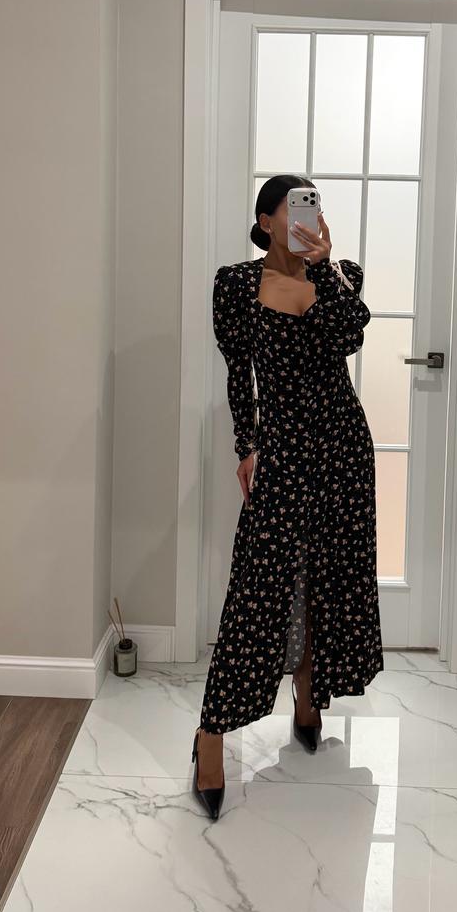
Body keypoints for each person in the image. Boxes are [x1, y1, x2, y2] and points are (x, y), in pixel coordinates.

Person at [191, 174, 384, 819]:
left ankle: (308, 695)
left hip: (344, 451)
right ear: (267, 220)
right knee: (258, 585)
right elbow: (237, 373)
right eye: (296, 206)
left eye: (315, 204)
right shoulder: (235, 285)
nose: (309, 215)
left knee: (329, 573)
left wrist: (323, 268)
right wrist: (245, 446)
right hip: (283, 453)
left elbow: (349, 336)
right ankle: (211, 734)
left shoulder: (343, 276)